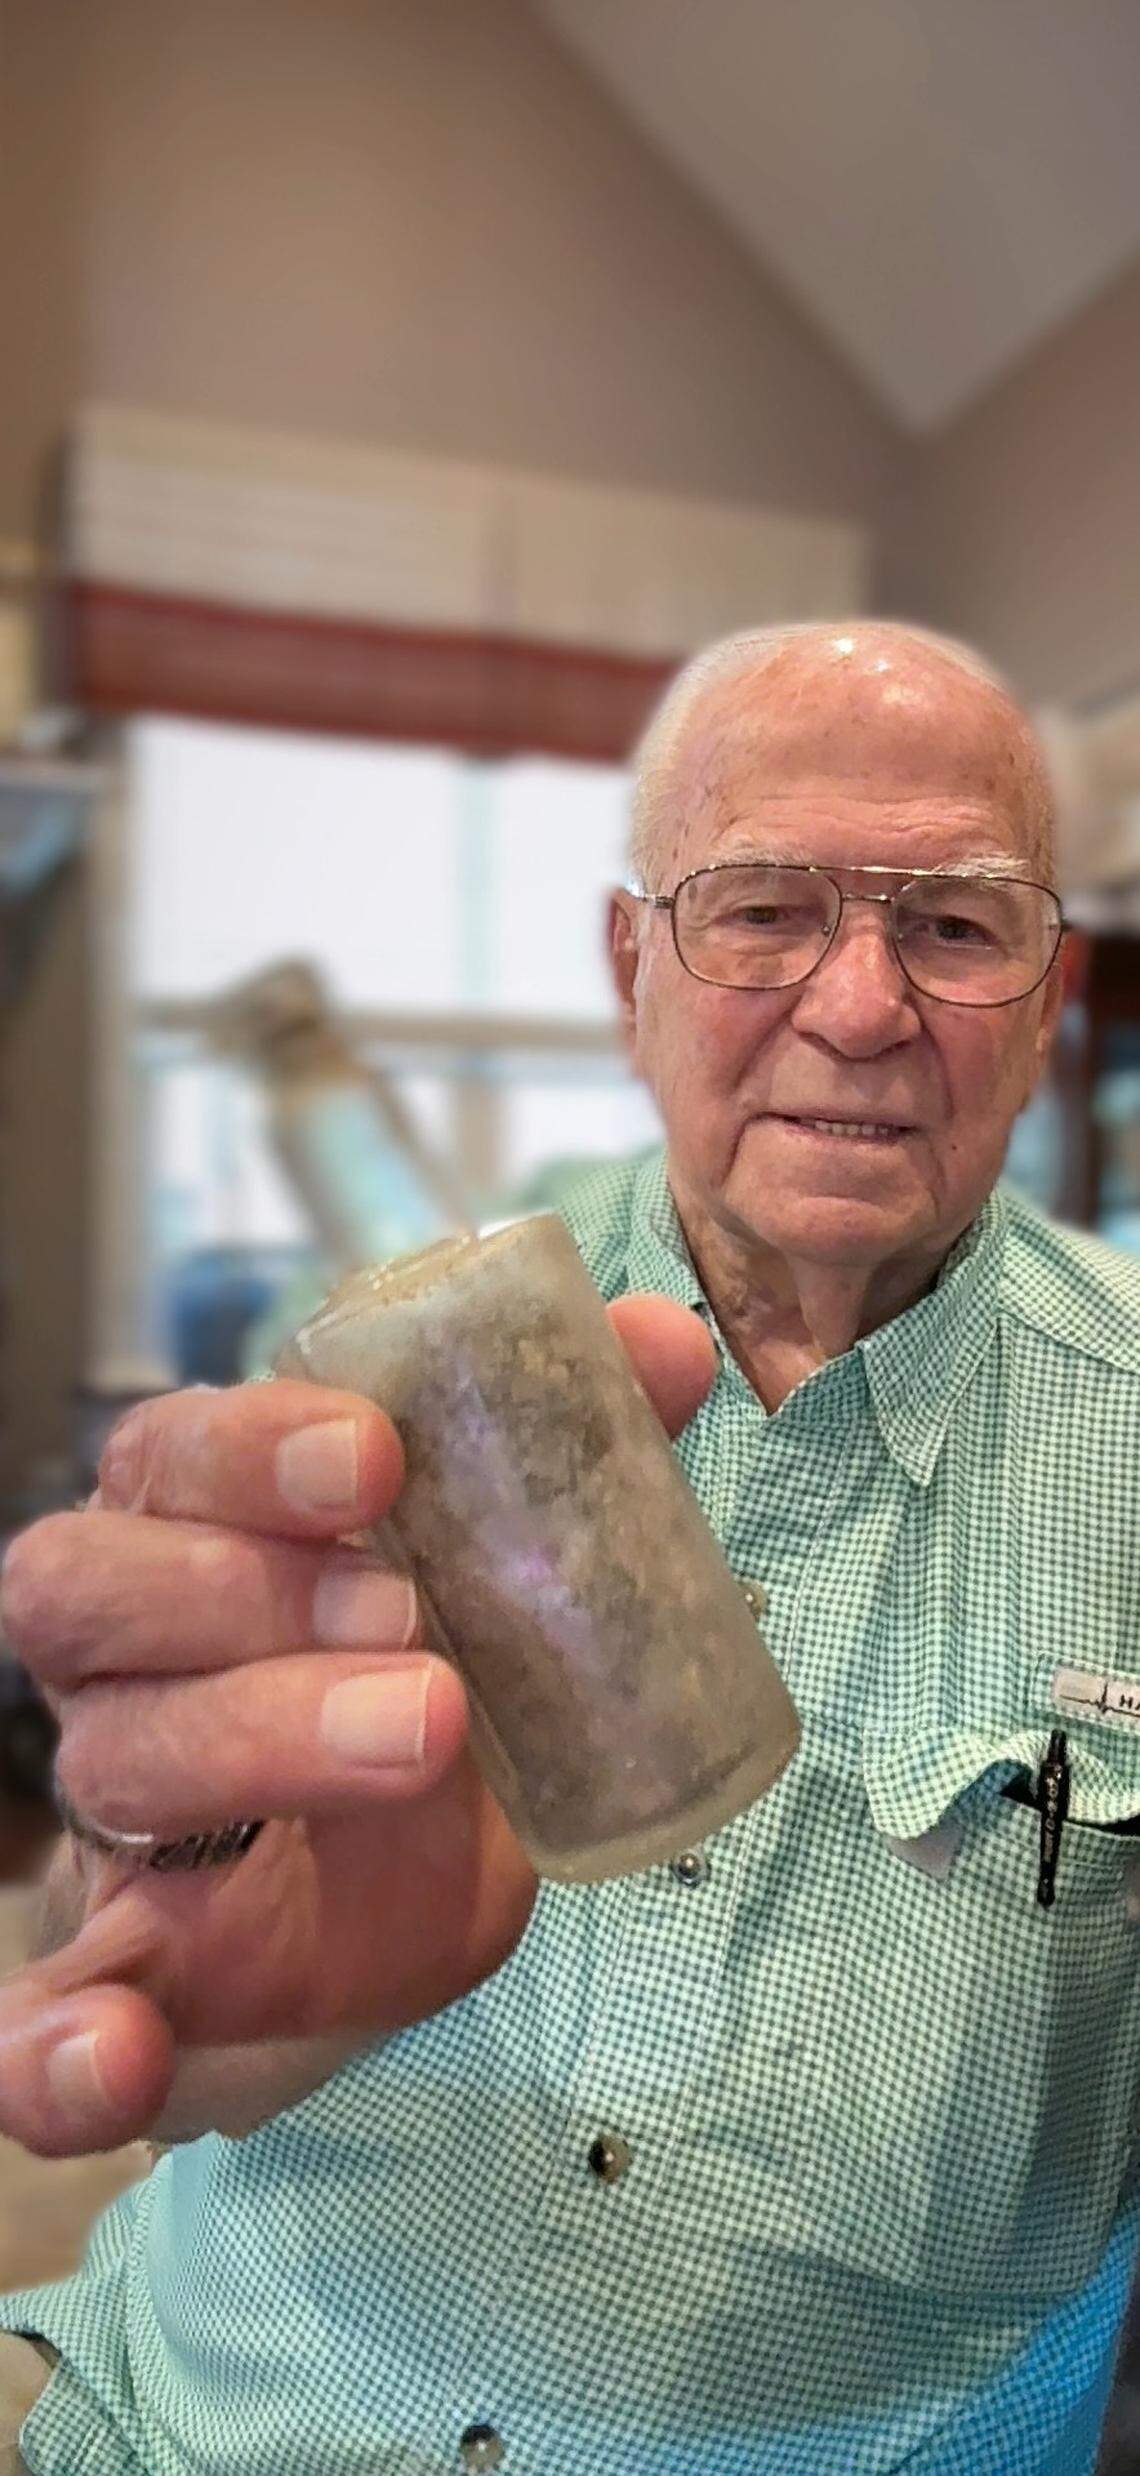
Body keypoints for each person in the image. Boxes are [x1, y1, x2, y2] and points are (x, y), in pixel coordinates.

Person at [0, 619, 1138, 2476]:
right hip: (198, 2420)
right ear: (634, 972)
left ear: (1043, 998)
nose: (860, 1007)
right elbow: (133, 1968)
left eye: (953, 922)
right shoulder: (382, 1351)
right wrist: (158, 1872)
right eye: (762, 910)